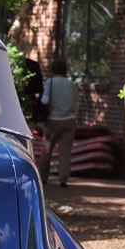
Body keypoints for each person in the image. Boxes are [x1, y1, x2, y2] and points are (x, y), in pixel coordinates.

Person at [39, 58, 78, 187]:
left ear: (53, 70)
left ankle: (43, 177)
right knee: (65, 151)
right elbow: (76, 102)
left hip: (53, 120)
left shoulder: (51, 82)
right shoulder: (71, 84)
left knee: (47, 150)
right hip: (69, 120)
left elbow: (44, 100)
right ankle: (63, 179)